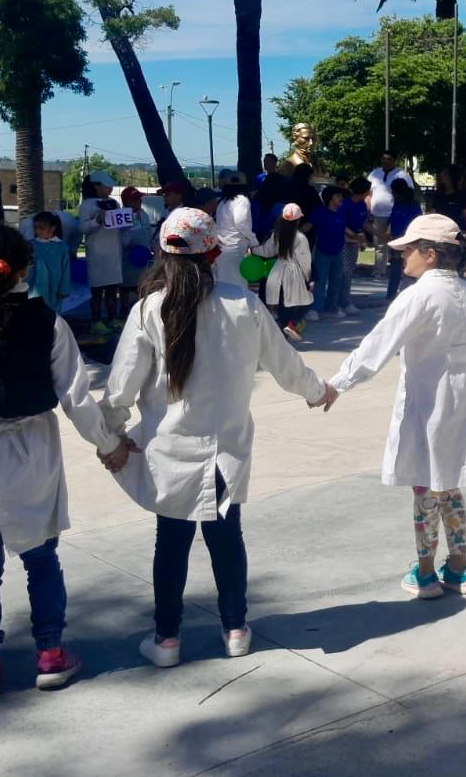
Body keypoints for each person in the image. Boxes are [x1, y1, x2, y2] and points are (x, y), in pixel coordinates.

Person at [100, 208, 334, 669]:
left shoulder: (148, 309)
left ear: (162, 253)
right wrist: (316, 391)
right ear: (213, 253)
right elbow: (285, 364)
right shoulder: (242, 304)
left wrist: (110, 437)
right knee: (228, 540)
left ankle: (167, 638)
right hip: (227, 452)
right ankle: (235, 630)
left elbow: (120, 388)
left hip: (169, 453)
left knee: (170, 542)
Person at [0, 225, 126, 696]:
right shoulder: (50, 322)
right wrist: (109, 444)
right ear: (26, 268)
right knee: (41, 557)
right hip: (34, 448)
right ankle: (49, 652)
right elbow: (76, 397)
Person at [321, 215, 466, 597]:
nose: (403, 256)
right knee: (449, 486)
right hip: (461, 402)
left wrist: (338, 383)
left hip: (425, 403)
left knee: (424, 487)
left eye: (408, 249)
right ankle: (460, 566)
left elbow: (378, 345)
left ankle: (424, 572)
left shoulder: (418, 296)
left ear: (430, 254)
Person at [251, 204, 313, 338]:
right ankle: (291, 325)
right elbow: (305, 261)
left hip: (277, 270)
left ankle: (280, 331)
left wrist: (252, 249)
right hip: (293, 272)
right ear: (298, 220)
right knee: (306, 301)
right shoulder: (301, 238)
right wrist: (308, 278)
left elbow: (266, 251)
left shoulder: (276, 234)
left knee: (281, 303)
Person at [77, 170, 127, 335]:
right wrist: (97, 220)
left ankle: (112, 318)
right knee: (97, 291)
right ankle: (96, 320)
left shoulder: (114, 203)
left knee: (113, 289)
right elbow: (82, 228)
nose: (110, 189)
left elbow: (121, 225)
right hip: (97, 254)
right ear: (96, 187)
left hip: (114, 253)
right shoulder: (87, 205)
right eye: (106, 185)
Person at [367, 151, 413, 278]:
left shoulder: (402, 175)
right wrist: (368, 210)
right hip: (377, 215)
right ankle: (379, 271)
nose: (385, 161)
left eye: (388, 159)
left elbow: (409, 194)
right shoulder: (374, 174)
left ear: (394, 161)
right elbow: (368, 194)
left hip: (395, 215)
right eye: (383, 158)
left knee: (398, 244)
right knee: (380, 244)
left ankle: (400, 270)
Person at [309, 186, 350, 320]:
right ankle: (315, 309)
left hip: (338, 251)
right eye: (338, 196)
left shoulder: (341, 212)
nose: (341, 198)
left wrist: (357, 236)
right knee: (320, 281)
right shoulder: (320, 212)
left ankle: (331, 307)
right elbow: (308, 226)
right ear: (330, 198)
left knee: (336, 281)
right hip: (322, 251)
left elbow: (344, 229)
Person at [213, 169, 255, 288]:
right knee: (238, 287)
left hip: (221, 249)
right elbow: (241, 223)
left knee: (222, 286)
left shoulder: (222, 203)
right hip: (235, 250)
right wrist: (254, 242)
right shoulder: (242, 200)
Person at [120, 187, 155, 320]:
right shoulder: (122, 215)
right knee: (125, 286)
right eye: (135, 199)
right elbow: (121, 234)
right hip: (128, 256)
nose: (139, 202)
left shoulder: (144, 214)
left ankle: (142, 309)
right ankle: (124, 310)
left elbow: (148, 232)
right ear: (127, 201)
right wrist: (129, 244)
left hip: (144, 255)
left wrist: (151, 244)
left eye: (139, 199)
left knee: (142, 284)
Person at [386, 180, 424, 301]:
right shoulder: (398, 203)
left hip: (409, 239)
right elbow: (392, 220)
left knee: (407, 268)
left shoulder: (413, 205)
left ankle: (404, 294)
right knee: (397, 268)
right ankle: (392, 295)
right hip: (398, 237)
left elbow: (417, 222)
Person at [341, 177, 373, 315]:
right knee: (343, 272)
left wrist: (380, 234)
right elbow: (341, 224)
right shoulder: (345, 204)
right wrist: (355, 236)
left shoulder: (362, 205)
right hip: (342, 241)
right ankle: (342, 302)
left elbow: (364, 223)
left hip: (354, 241)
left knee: (349, 272)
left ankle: (344, 301)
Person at [29, 211, 72, 314]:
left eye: (42, 228)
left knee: (53, 314)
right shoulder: (31, 246)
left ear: (53, 228)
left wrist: (64, 290)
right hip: (34, 287)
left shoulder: (62, 247)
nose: (38, 231)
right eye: (36, 228)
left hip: (55, 288)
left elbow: (66, 270)